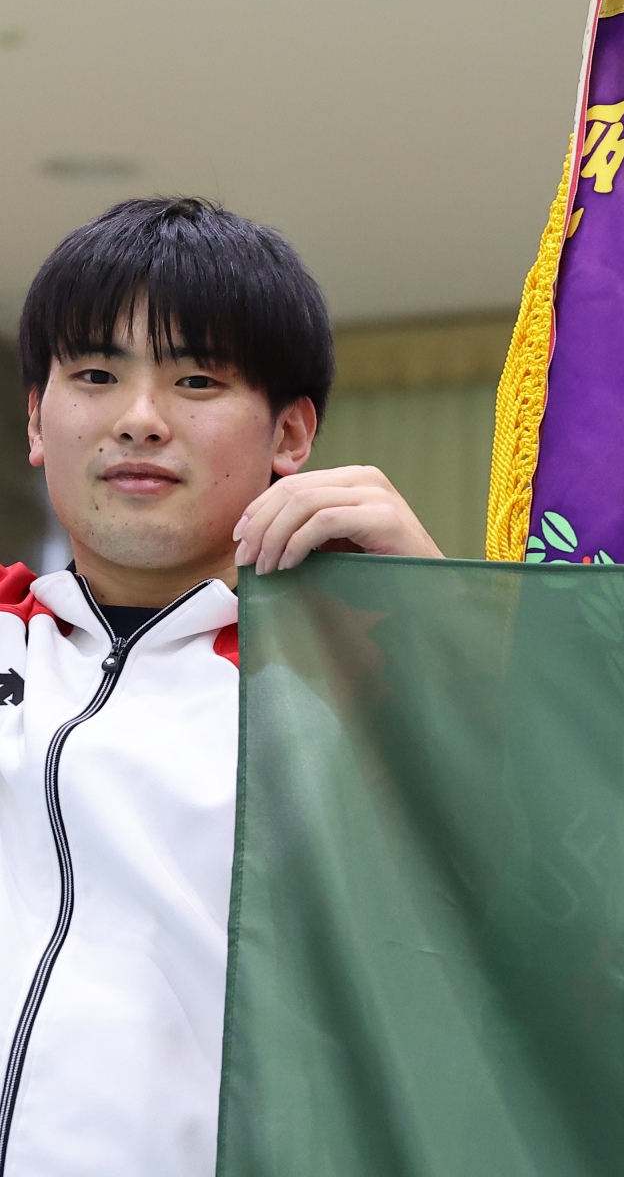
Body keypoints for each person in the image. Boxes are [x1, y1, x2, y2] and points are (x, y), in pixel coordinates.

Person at [3, 197, 437, 1176]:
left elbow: (564, 911)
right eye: (96, 375)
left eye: (196, 379)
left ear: (291, 433)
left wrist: (436, 623)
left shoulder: (353, 696)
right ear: (35, 419)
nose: (139, 419)